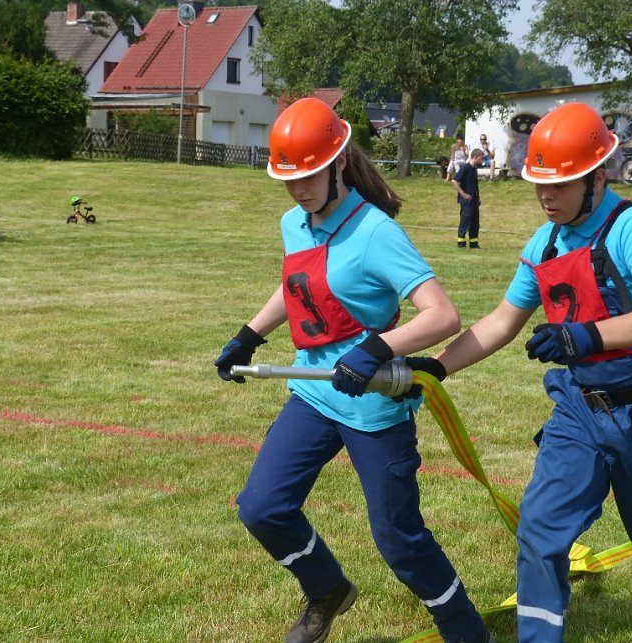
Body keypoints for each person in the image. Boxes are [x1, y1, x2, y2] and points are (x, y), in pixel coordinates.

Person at [425, 102, 632, 642]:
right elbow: (501, 321)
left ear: (597, 176)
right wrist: (434, 367)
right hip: (581, 409)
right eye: (539, 184)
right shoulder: (542, 245)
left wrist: (585, 335)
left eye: (559, 184)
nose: (546, 196)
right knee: (540, 529)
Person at [214, 97, 494, 643]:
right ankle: (327, 589)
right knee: (262, 508)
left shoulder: (375, 233)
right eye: (289, 179)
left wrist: (376, 350)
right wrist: (250, 334)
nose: (299, 189)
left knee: (398, 539)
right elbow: (302, 282)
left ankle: (467, 632)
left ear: (338, 162)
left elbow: (443, 315)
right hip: (314, 395)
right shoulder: (294, 223)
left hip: (375, 407)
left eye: (310, 175)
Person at [451, 149, 484, 250]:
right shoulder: (465, 168)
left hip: (474, 201)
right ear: (475, 157)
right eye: (481, 158)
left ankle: (474, 243)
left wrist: (478, 197)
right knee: (465, 221)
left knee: (475, 223)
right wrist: (463, 194)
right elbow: (454, 181)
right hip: (466, 202)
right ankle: (461, 243)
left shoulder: (474, 169)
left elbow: (474, 185)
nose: (481, 160)